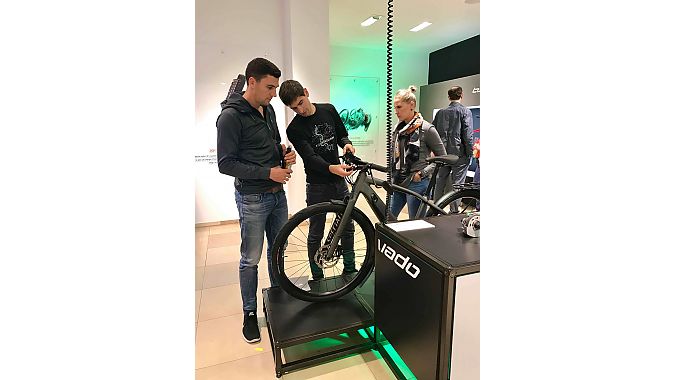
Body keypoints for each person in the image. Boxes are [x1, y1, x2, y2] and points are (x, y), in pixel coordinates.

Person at [216, 57, 296, 344]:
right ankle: (249, 313)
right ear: (252, 82)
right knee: (250, 259)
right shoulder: (230, 117)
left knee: (278, 251)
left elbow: (275, 141)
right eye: (270, 87)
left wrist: (285, 154)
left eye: (275, 87)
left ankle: (278, 301)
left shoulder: (269, 109)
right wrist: (268, 172)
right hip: (252, 198)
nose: (274, 93)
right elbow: (225, 164)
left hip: (278, 197)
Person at [279, 79, 357, 281]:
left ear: (306, 92)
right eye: (294, 108)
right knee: (316, 232)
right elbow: (310, 157)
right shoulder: (293, 129)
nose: (300, 110)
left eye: (301, 102)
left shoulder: (328, 110)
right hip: (317, 186)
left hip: (339, 182)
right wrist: (332, 168)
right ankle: (317, 276)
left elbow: (342, 135)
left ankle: (350, 269)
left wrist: (346, 144)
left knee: (347, 226)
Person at [390, 85, 447, 219]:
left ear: (411, 105)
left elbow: (442, 157)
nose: (395, 111)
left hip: (417, 183)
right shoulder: (397, 129)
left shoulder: (427, 129)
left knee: (415, 224)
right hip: (398, 180)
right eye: (394, 107)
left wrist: (422, 173)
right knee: (388, 219)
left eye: (399, 107)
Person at [432, 86, 474, 211]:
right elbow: (468, 135)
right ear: (462, 95)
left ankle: (435, 208)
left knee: (440, 181)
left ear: (449, 97)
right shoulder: (465, 112)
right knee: (458, 184)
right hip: (459, 155)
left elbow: (433, 133)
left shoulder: (440, 113)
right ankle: (454, 211)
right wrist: (470, 153)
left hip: (443, 154)